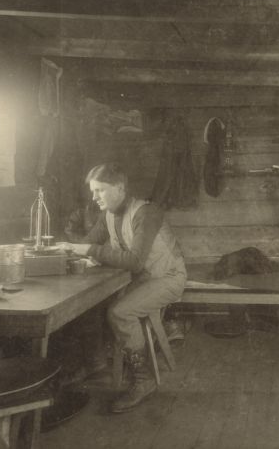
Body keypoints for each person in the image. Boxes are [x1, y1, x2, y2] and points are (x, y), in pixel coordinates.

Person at [60, 163, 187, 413]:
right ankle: (95, 364)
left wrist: (89, 251)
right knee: (94, 301)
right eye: (93, 191)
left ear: (119, 188)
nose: (94, 197)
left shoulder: (146, 212)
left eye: (100, 191)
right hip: (144, 279)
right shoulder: (108, 214)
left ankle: (144, 379)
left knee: (121, 312)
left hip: (168, 277)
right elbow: (87, 244)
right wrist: (64, 250)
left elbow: (134, 261)